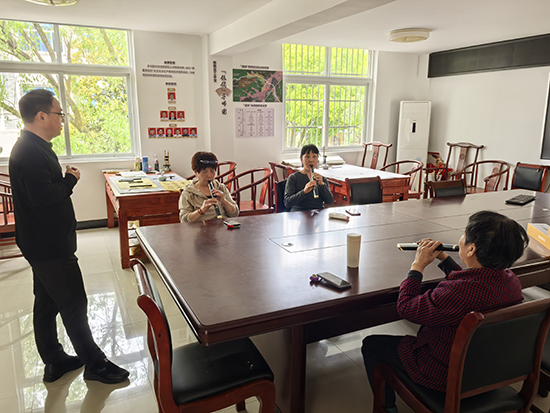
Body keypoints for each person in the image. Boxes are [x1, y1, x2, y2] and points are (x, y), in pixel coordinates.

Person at [9, 89, 130, 384]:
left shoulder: (34, 146)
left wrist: (64, 179)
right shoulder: (30, 152)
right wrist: (71, 180)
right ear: (41, 116)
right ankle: (96, 365)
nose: (63, 119)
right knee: (74, 303)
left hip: (42, 241)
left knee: (47, 302)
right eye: (59, 113)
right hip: (49, 245)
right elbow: (44, 197)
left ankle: (54, 361)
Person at [361, 210, 528, 412]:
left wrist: (417, 266)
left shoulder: (457, 293)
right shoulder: (511, 281)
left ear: (471, 249)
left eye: (464, 235)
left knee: (372, 344)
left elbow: (406, 307)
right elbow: (469, 284)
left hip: (445, 376)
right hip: (487, 369)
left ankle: (387, 409)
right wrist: (444, 258)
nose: (461, 238)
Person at [179, 151, 239, 222]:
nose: (209, 175)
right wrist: (201, 210)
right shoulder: (188, 193)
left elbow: (235, 214)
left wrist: (224, 201)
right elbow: (184, 220)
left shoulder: (221, 188)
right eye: (204, 172)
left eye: (212, 171)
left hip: (222, 226)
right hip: (200, 228)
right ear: (196, 172)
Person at [284, 144, 334, 211]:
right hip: (298, 213)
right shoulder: (293, 178)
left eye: (314, 156)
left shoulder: (321, 179)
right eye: (307, 157)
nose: (311, 160)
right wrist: (304, 192)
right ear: (301, 159)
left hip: (318, 213)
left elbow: (329, 201)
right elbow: (287, 202)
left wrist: (322, 185)